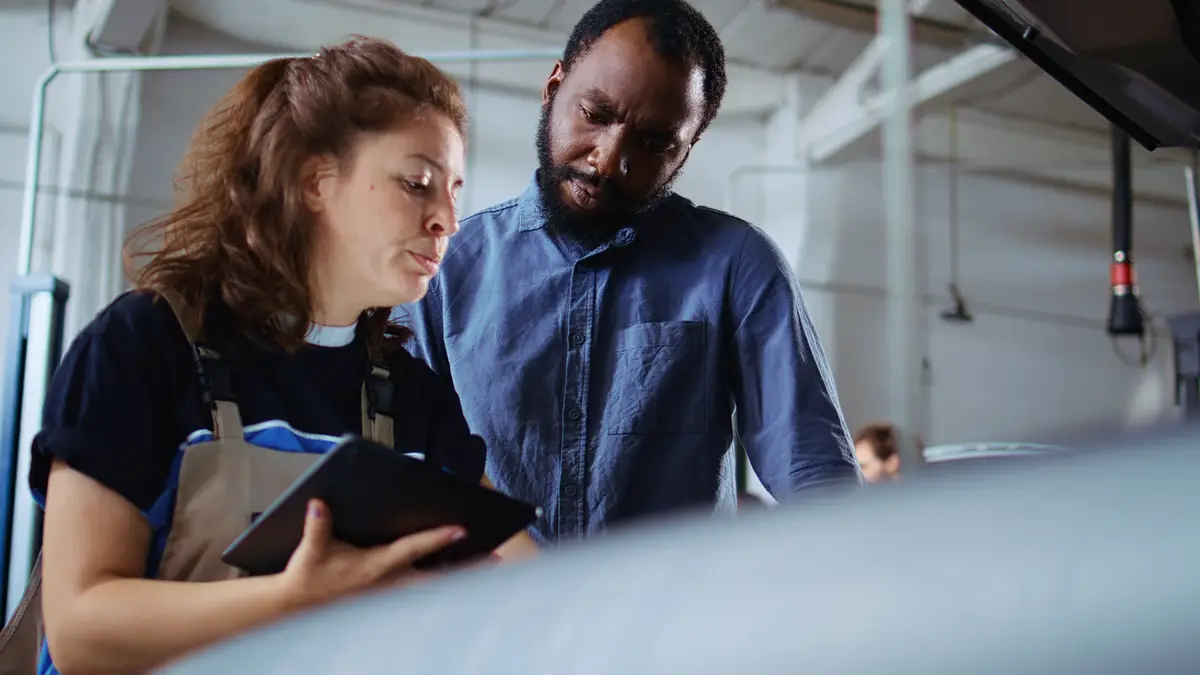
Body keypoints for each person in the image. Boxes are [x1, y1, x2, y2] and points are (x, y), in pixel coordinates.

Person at [21, 37, 532, 675]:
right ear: (314, 180)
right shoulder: (142, 345)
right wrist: (292, 601)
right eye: (417, 183)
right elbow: (79, 631)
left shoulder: (413, 398)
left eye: (454, 191)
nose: (448, 221)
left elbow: (527, 584)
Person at [400, 0, 861, 545]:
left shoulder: (738, 265)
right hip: (492, 595)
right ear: (553, 88)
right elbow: (404, 467)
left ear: (686, 149)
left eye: (653, 142)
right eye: (594, 114)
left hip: (673, 601)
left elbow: (817, 478)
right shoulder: (446, 267)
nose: (608, 160)